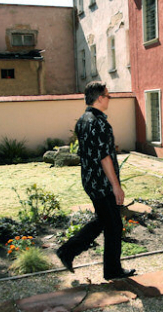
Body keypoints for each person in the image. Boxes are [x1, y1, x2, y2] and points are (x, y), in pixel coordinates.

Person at [56, 81, 136, 280]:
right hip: (102, 183)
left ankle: (69, 252)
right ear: (100, 98)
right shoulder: (98, 122)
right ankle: (110, 269)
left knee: (104, 220)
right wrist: (116, 187)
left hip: (90, 180)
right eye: (108, 96)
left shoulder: (82, 120)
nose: (109, 99)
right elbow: (104, 157)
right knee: (114, 224)